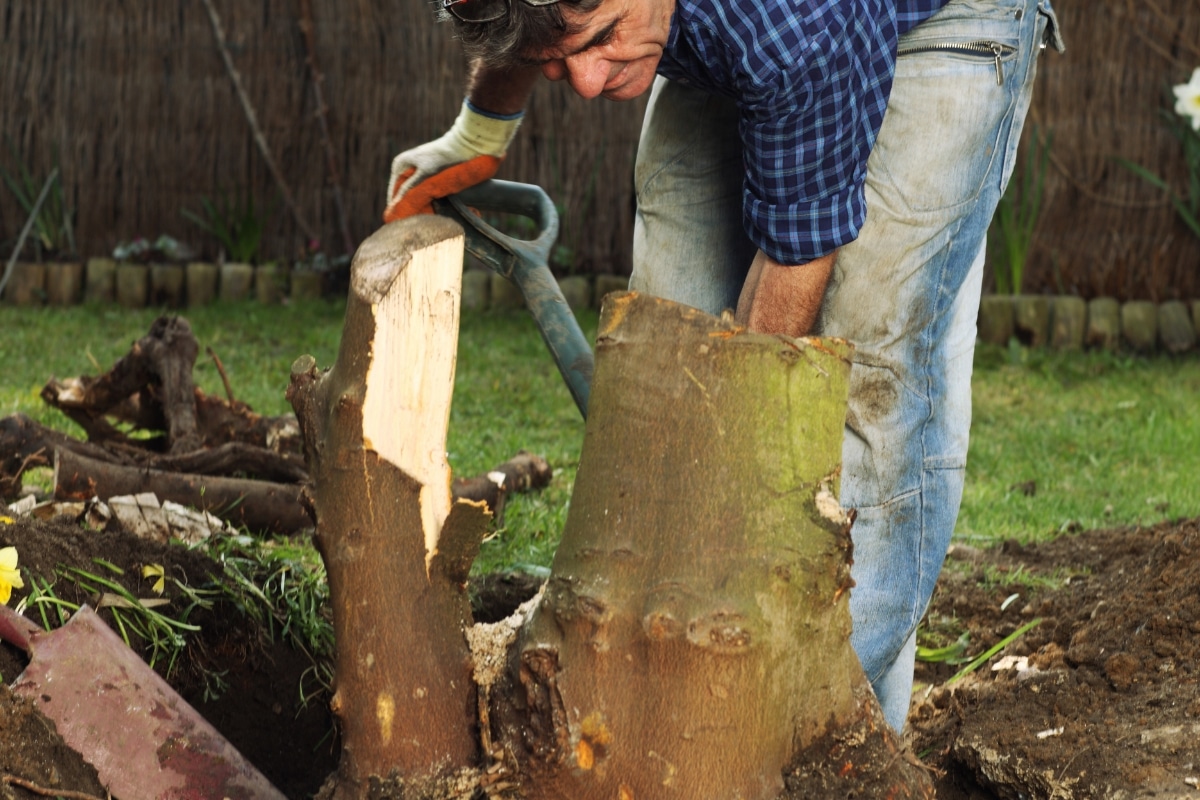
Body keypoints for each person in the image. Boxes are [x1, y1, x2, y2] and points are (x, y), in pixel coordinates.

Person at [384, 0, 1064, 733]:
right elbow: (526, 16)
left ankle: (815, 747)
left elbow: (795, 259)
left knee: (865, 381)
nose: (583, 83)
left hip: (942, 27)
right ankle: (658, 702)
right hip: (742, 38)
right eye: (558, 60)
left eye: (605, 37)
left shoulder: (794, 32)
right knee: (665, 361)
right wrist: (478, 133)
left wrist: (724, 474)